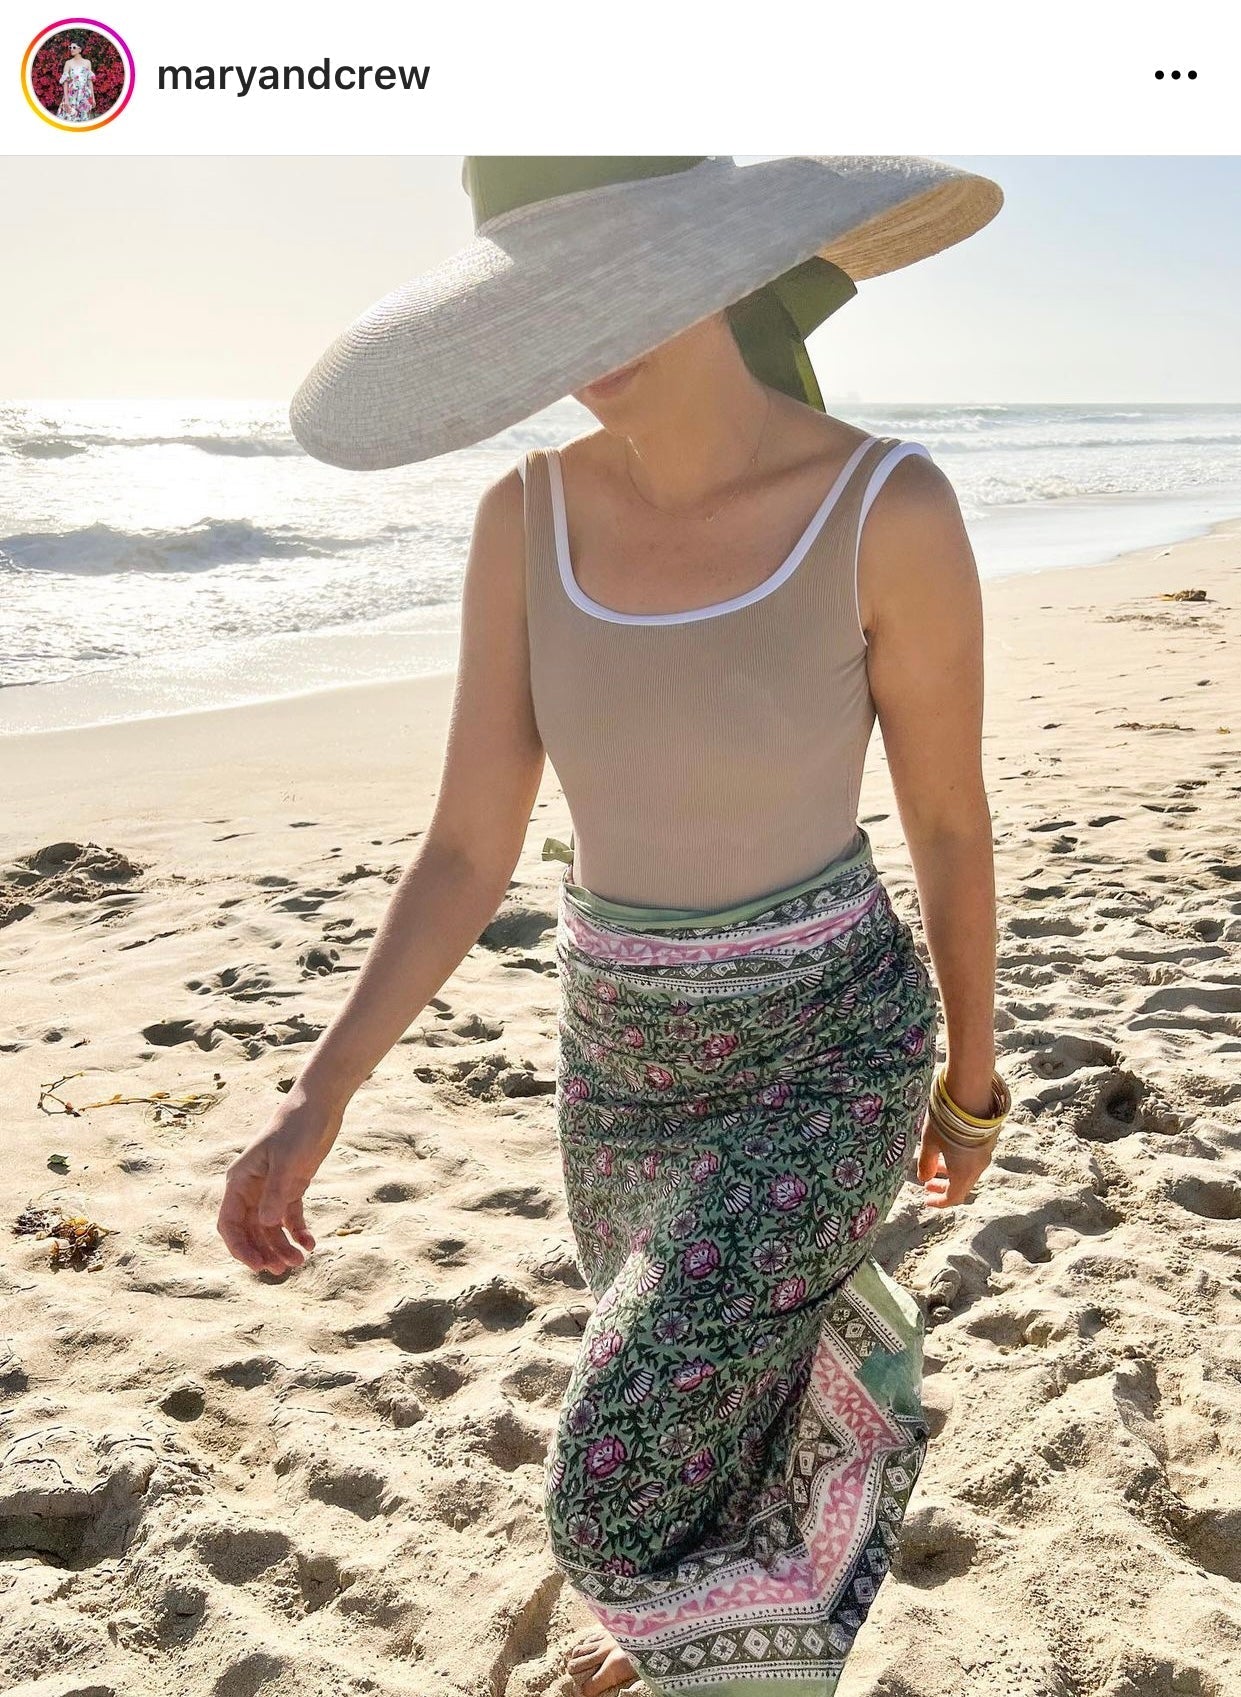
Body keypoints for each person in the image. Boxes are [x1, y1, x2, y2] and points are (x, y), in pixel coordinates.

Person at [219, 157, 1011, 1696]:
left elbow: (947, 822)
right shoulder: (523, 520)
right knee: (691, 1387)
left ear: (721, 259)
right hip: (621, 1059)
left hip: (832, 1042)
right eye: (547, 300)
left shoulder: (882, 504)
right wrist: (320, 1093)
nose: (592, 334)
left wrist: (970, 1081)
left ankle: (732, 1646)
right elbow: (465, 846)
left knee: (607, 1486)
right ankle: (699, 1650)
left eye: (626, 275)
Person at [56, 41, 95, 124]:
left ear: (80, 49)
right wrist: (66, 100)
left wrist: (93, 98)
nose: (71, 49)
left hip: (84, 96)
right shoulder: (68, 63)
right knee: (69, 118)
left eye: (74, 47)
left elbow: (89, 81)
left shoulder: (87, 62)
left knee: (83, 120)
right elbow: (65, 82)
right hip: (71, 96)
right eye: (70, 47)